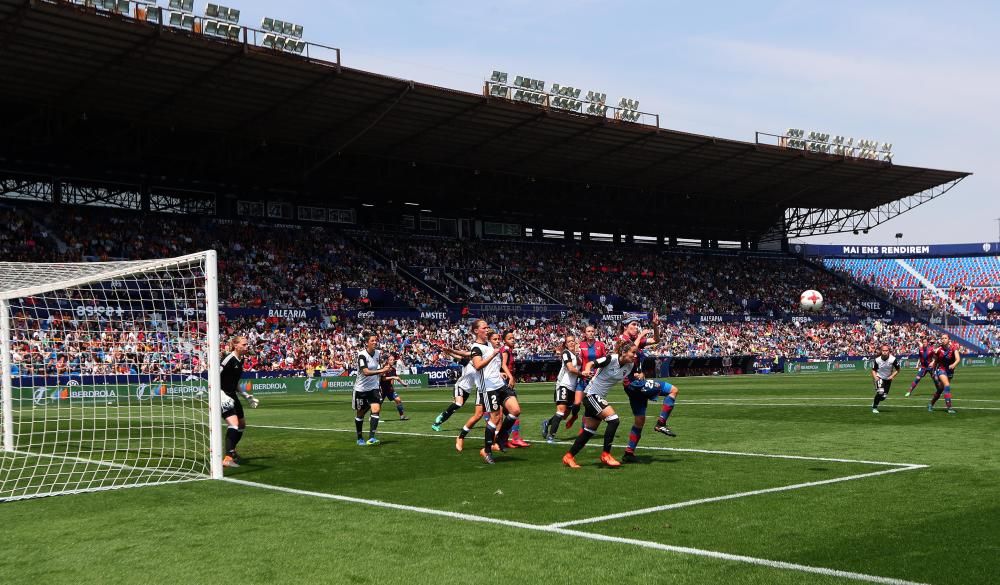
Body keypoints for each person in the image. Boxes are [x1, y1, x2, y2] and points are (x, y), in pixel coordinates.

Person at [562, 340, 635, 468]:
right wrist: (587, 370)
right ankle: (606, 454)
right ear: (624, 352)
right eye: (633, 353)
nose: (635, 355)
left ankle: (568, 457)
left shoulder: (629, 366)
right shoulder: (611, 359)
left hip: (598, 397)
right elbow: (591, 363)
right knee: (613, 420)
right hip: (591, 395)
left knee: (588, 431)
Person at [617, 313, 672, 463]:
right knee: (673, 390)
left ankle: (629, 453)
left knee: (639, 420)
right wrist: (641, 335)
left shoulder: (635, 341)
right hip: (633, 384)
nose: (636, 327)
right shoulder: (622, 340)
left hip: (634, 384)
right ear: (625, 327)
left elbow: (656, 340)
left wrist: (655, 326)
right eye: (633, 325)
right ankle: (661, 424)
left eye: (637, 324)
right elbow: (630, 351)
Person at [466, 320, 515, 464]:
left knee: (515, 410)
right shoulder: (476, 348)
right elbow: (478, 365)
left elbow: (497, 362)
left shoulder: (490, 344)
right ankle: (487, 450)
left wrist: (501, 373)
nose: (487, 329)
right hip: (489, 388)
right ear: (476, 331)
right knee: (494, 418)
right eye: (484, 327)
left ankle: (500, 438)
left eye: (488, 327)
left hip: (500, 385)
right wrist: (493, 355)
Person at [219, 336, 259, 468]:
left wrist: (246, 396)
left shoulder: (240, 361)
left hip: (232, 395)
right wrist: (219, 393)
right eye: (244, 344)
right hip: (222, 395)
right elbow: (214, 376)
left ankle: (232, 450)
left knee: (241, 424)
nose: (247, 346)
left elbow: (235, 383)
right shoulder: (228, 359)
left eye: (247, 344)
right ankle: (227, 458)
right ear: (236, 345)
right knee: (234, 424)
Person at [353, 331, 393, 445]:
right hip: (361, 389)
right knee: (360, 414)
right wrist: (381, 371)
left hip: (373, 388)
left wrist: (384, 368)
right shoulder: (362, 355)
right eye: (372, 341)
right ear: (367, 343)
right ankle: (360, 438)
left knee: (376, 410)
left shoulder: (378, 353)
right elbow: (365, 372)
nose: (375, 342)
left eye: (376, 340)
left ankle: (371, 438)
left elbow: (378, 367)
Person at [542, 333, 582, 443]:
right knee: (560, 411)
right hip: (563, 385)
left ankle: (547, 422)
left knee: (564, 416)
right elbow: (570, 368)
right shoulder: (566, 353)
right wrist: (583, 374)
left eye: (573, 340)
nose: (571, 342)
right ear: (566, 344)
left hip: (573, 388)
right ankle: (551, 436)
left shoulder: (578, 356)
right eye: (569, 341)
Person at [431, 345, 478, 435]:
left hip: (467, 391)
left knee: (455, 408)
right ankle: (439, 418)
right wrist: (449, 352)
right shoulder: (468, 363)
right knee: (458, 403)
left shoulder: (479, 366)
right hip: (460, 386)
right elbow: (459, 357)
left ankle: (437, 424)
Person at [568, 324, 607, 429]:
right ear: (585, 333)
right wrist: (576, 355)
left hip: (596, 380)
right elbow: (579, 361)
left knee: (588, 404)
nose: (590, 333)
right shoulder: (580, 345)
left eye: (592, 331)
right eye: (588, 331)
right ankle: (574, 416)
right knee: (576, 403)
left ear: (595, 333)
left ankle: (584, 425)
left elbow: (604, 361)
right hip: (583, 378)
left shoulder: (601, 345)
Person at [499, 330, 530, 448]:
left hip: (505, 382)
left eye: (513, 338)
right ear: (505, 340)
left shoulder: (508, 349)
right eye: (509, 338)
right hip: (505, 382)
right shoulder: (506, 350)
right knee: (514, 411)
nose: (512, 339)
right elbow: (503, 365)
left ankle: (506, 439)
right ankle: (514, 438)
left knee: (509, 413)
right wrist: (511, 377)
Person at [929, 334, 960, 414]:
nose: (943, 339)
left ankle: (931, 404)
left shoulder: (954, 347)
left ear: (949, 340)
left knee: (940, 389)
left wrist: (954, 365)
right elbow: (935, 361)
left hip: (950, 371)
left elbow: (958, 359)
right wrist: (933, 371)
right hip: (941, 369)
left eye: (945, 338)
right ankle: (949, 407)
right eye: (942, 338)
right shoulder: (939, 350)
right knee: (947, 385)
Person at [378, 353, 409, 421]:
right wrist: (393, 377)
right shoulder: (384, 368)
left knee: (398, 400)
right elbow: (383, 379)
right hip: (382, 389)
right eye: (391, 360)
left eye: (393, 360)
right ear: (388, 361)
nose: (392, 361)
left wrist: (403, 383)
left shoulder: (393, 369)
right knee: (378, 404)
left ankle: (402, 416)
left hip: (389, 389)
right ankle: (374, 417)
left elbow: (396, 377)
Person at [870, 344, 901, 414]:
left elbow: (898, 369)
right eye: (883, 350)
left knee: (883, 397)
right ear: (881, 351)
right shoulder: (877, 360)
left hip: (888, 379)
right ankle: (874, 407)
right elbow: (873, 370)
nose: (885, 352)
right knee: (880, 392)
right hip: (879, 377)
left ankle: (875, 401)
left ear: (889, 351)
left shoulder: (893, 359)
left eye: (886, 350)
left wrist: (892, 376)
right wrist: (875, 377)